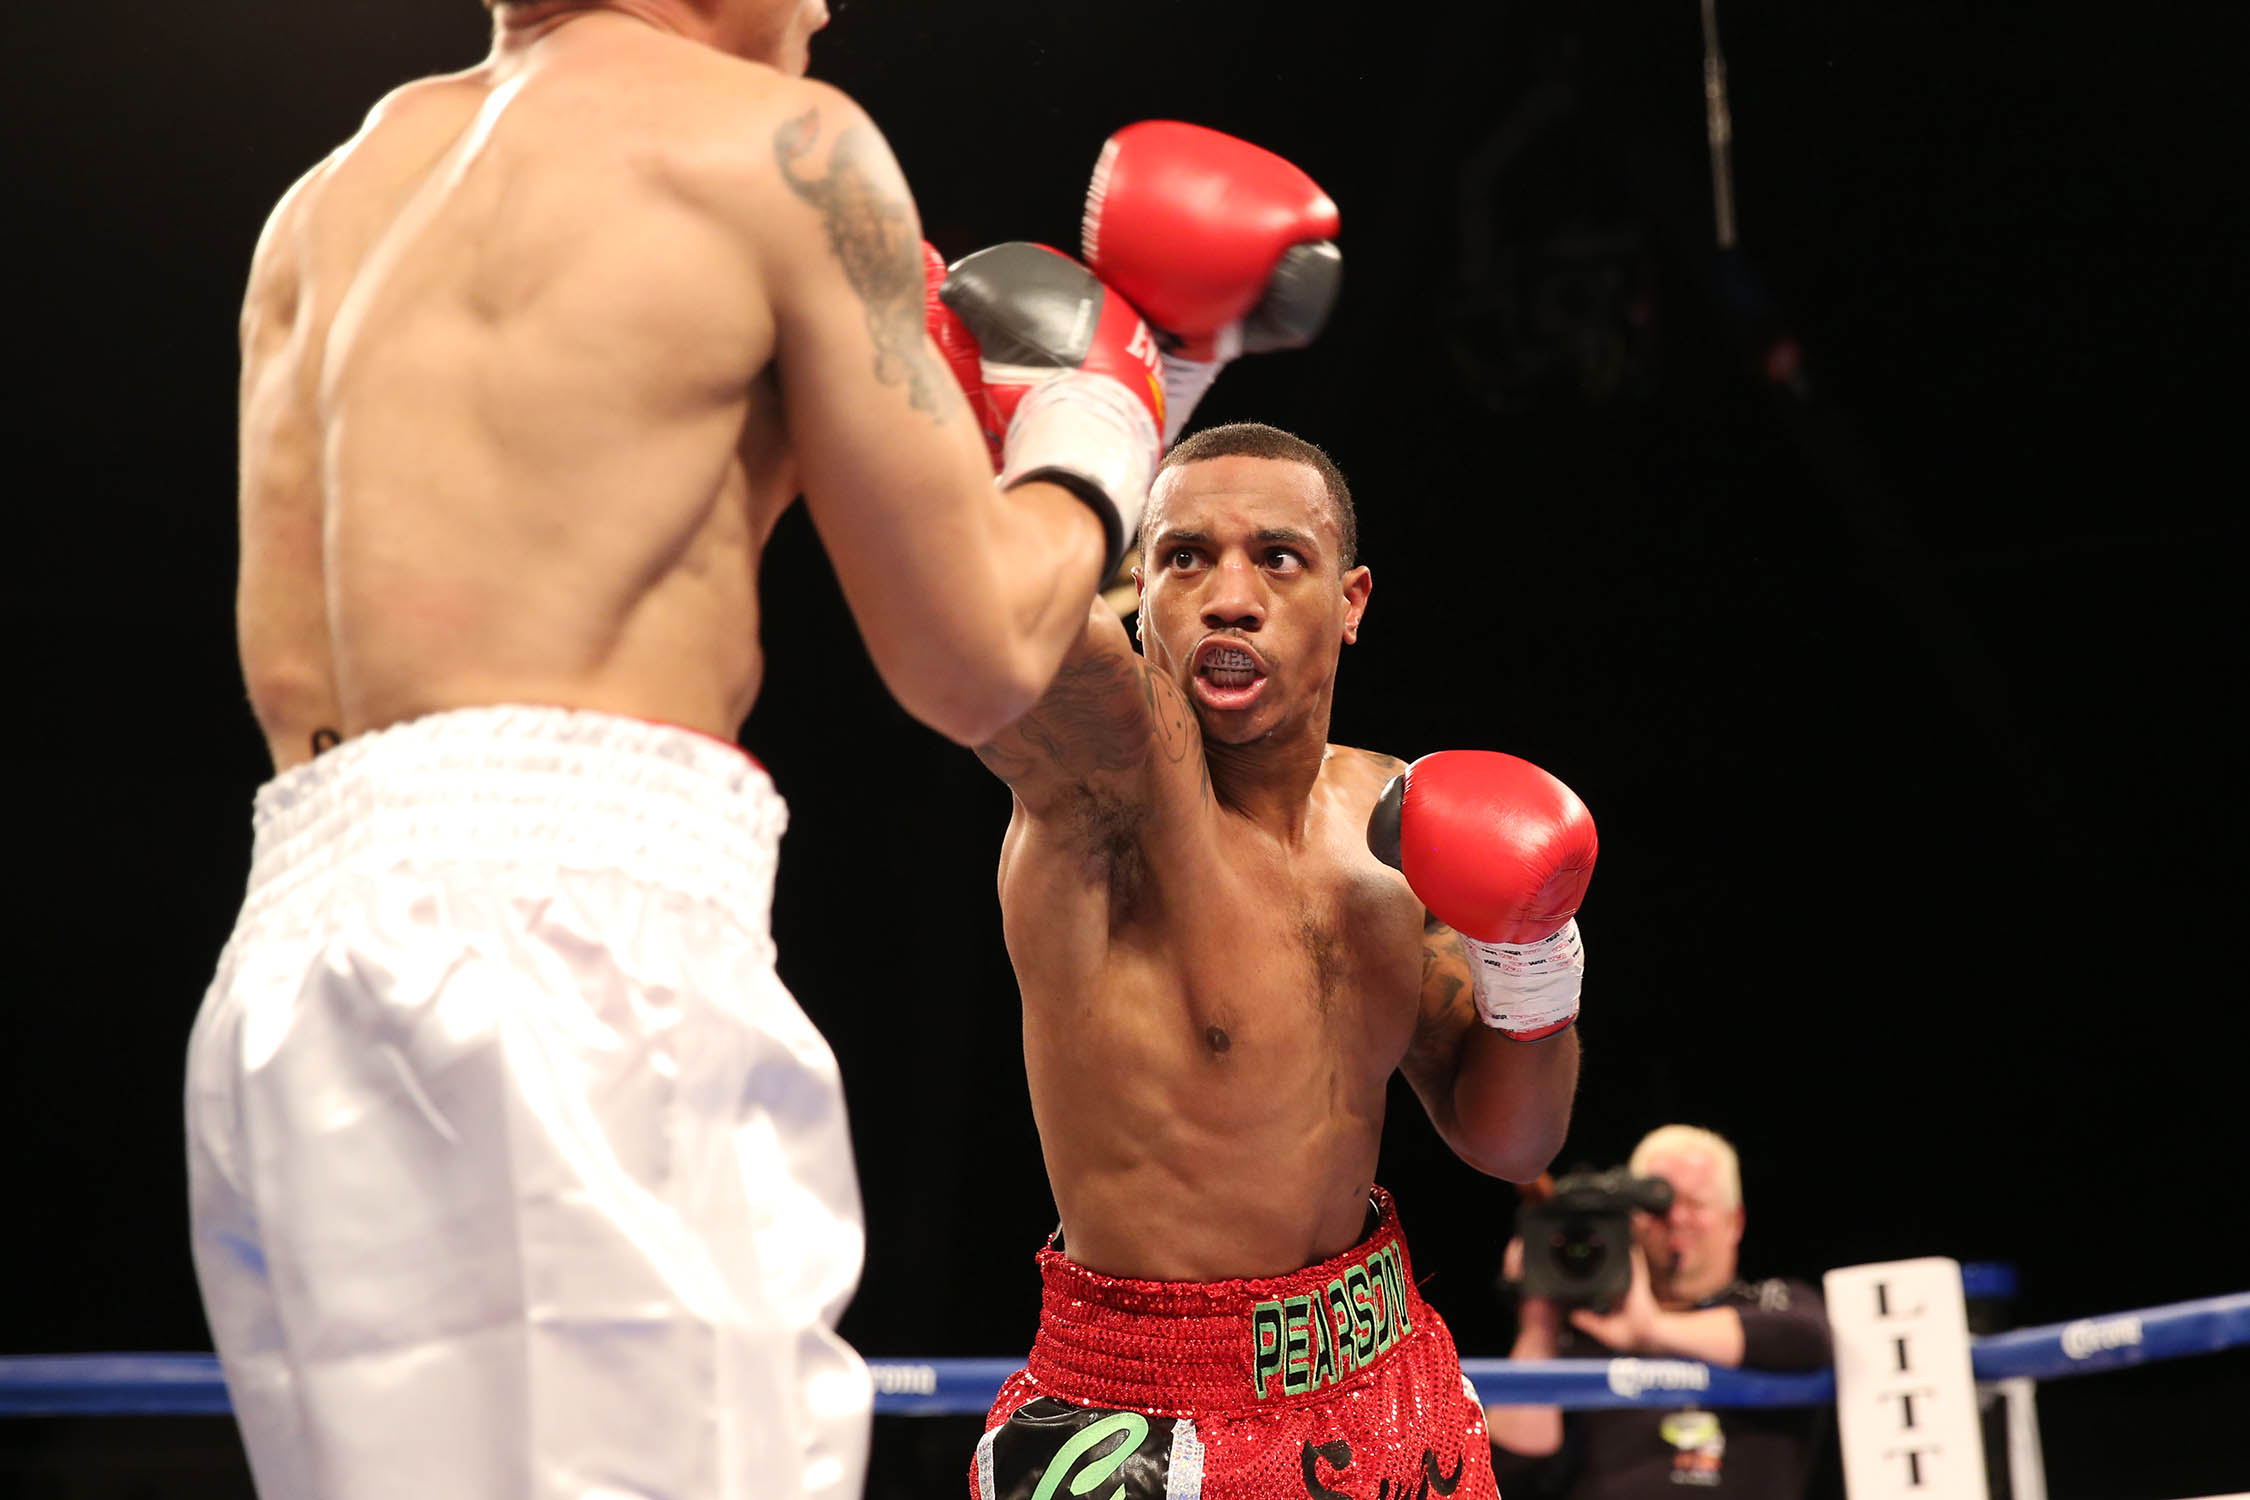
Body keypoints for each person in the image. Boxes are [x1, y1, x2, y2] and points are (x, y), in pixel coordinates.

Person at [184, 0, 1199, 1496]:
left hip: (294, 969)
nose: (823, 7)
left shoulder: (328, 201)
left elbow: (575, 526)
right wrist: (1105, 424)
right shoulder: (787, 148)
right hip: (569, 956)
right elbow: (976, 656)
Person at [966, 411, 1601, 1494]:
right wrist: (1093, 417)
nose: (1229, 596)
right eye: (1184, 558)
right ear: (1139, 590)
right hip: (1151, 1408)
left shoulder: (1398, 824)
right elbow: (987, 624)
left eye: (1276, 557)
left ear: (1350, 601)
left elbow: (1512, 1141)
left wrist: (1534, 952)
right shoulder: (1105, 791)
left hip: (1385, 1365)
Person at [1486, 1125, 1833, 1495]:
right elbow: (1507, 1469)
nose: (1677, 1218)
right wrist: (1540, 1325)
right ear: (1629, 1221)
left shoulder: (1775, 1304)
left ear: (1735, 1221)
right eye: (1657, 1208)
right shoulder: (1590, 1331)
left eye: (1696, 1204)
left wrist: (1652, 1330)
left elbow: (1810, 1340)